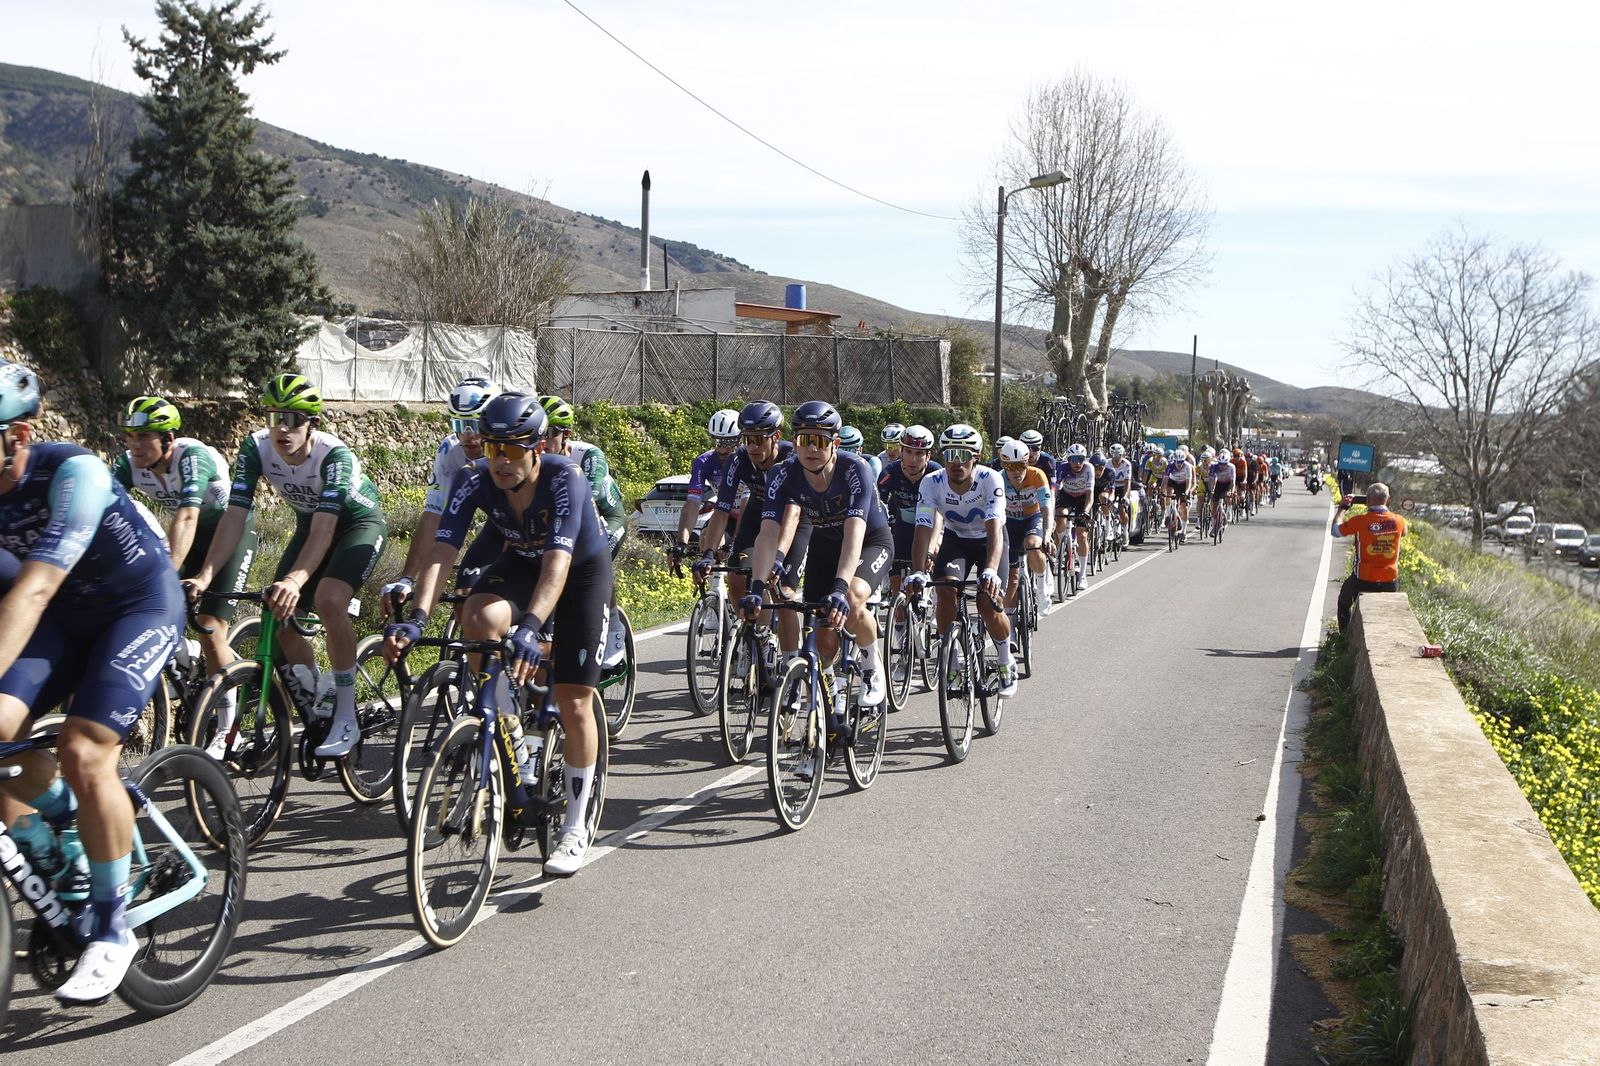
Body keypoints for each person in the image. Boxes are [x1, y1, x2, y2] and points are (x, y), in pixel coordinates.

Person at [0, 361, 185, 1001]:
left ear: (18, 436)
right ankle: (54, 836)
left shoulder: (74, 472)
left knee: (83, 749)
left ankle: (112, 927)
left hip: (136, 606)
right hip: (62, 621)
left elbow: (35, 587)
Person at [385, 393, 613, 876]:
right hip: (522, 562)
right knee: (477, 617)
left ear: (536, 447)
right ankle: (506, 728)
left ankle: (575, 828)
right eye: (492, 450)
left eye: (512, 451)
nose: (501, 462)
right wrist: (418, 617)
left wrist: (530, 627)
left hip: (580, 573)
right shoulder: (474, 479)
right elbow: (443, 552)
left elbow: (559, 563)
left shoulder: (563, 478)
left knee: (574, 700)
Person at [186, 373, 387, 759]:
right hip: (311, 525)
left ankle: (346, 715)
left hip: (356, 525)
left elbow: (327, 529)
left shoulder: (334, 456)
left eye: (293, 418)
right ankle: (313, 697)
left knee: (329, 600)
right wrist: (206, 576)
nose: (282, 428)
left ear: (312, 423)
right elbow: (233, 518)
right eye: (274, 416)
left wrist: (295, 580)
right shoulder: (255, 448)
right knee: (277, 620)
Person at [112, 396, 256, 759]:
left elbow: (188, 517)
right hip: (187, 537)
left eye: (146, 436)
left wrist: (171, 575)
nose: (136, 444)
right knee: (149, 610)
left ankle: (228, 732)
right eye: (131, 435)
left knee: (210, 625)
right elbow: (100, 507)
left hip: (229, 532)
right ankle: (189, 652)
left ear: (169, 439)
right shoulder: (129, 465)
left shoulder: (192, 457)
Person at [739, 401, 892, 725]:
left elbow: (855, 532)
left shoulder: (855, 469)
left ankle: (871, 665)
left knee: (850, 599)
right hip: (825, 545)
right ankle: (830, 705)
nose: (811, 448)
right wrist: (756, 586)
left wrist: (839, 587)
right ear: (793, 442)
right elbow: (768, 532)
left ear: (835, 444)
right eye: (804, 439)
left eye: (820, 440)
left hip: (869, 542)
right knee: (823, 638)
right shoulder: (784, 473)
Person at [903, 424, 1016, 697]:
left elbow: (995, 527)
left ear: (975, 457)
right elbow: (923, 527)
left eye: (963, 455)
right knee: (945, 592)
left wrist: (990, 569)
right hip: (955, 541)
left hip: (989, 539)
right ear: (943, 457)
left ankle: (1004, 660)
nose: (956, 462)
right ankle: (952, 663)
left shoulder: (990, 480)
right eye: (950, 454)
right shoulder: (932, 482)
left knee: (986, 601)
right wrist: (918, 571)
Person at [692, 400, 808, 656]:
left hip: (794, 517)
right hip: (758, 512)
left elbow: (793, 513)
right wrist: (709, 553)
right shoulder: (739, 458)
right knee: (736, 575)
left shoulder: (792, 458)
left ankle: (790, 665)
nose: (753, 446)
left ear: (776, 437)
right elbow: (721, 511)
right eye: (748, 439)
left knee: (784, 595)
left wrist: (778, 557)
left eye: (759, 440)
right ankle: (759, 635)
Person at [383, 377, 502, 621]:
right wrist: (407, 578)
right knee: (464, 602)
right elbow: (434, 516)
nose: (467, 435)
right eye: (459, 424)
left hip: (527, 528)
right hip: (496, 527)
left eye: (473, 424)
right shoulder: (450, 451)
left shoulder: (508, 448)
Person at [1332, 482, 1407, 632]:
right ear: (1388, 499)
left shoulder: (1360, 521)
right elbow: (1404, 532)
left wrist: (1343, 508)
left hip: (1363, 579)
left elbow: (1336, 531)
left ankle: (1344, 636)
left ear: (1367, 500)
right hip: (1389, 580)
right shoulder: (1399, 521)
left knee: (1344, 603)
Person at [876, 424, 940, 595]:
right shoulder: (890, 472)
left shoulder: (937, 474)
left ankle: (932, 603)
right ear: (901, 452)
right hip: (903, 527)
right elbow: (877, 506)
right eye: (909, 452)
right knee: (897, 585)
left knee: (938, 568)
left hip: (932, 527)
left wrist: (931, 548)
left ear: (928, 456)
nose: (913, 460)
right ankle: (899, 620)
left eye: (919, 454)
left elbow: (940, 515)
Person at [673, 409, 740, 561]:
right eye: (717, 442)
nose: (722, 449)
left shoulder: (748, 461)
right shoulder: (704, 462)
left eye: (728, 443)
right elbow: (692, 504)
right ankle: (714, 584)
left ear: (740, 440)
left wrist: (735, 542)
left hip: (755, 515)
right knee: (706, 540)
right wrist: (682, 543)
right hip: (727, 515)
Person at [999, 438, 1052, 617]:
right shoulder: (998, 479)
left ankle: (1042, 588)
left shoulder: (1037, 475)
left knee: (1033, 545)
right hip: (1010, 522)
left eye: (1021, 465)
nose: (1017, 472)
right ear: (1003, 464)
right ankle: (1011, 629)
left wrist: (1046, 535)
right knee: (1012, 579)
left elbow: (1047, 508)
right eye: (1011, 466)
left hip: (1033, 517)